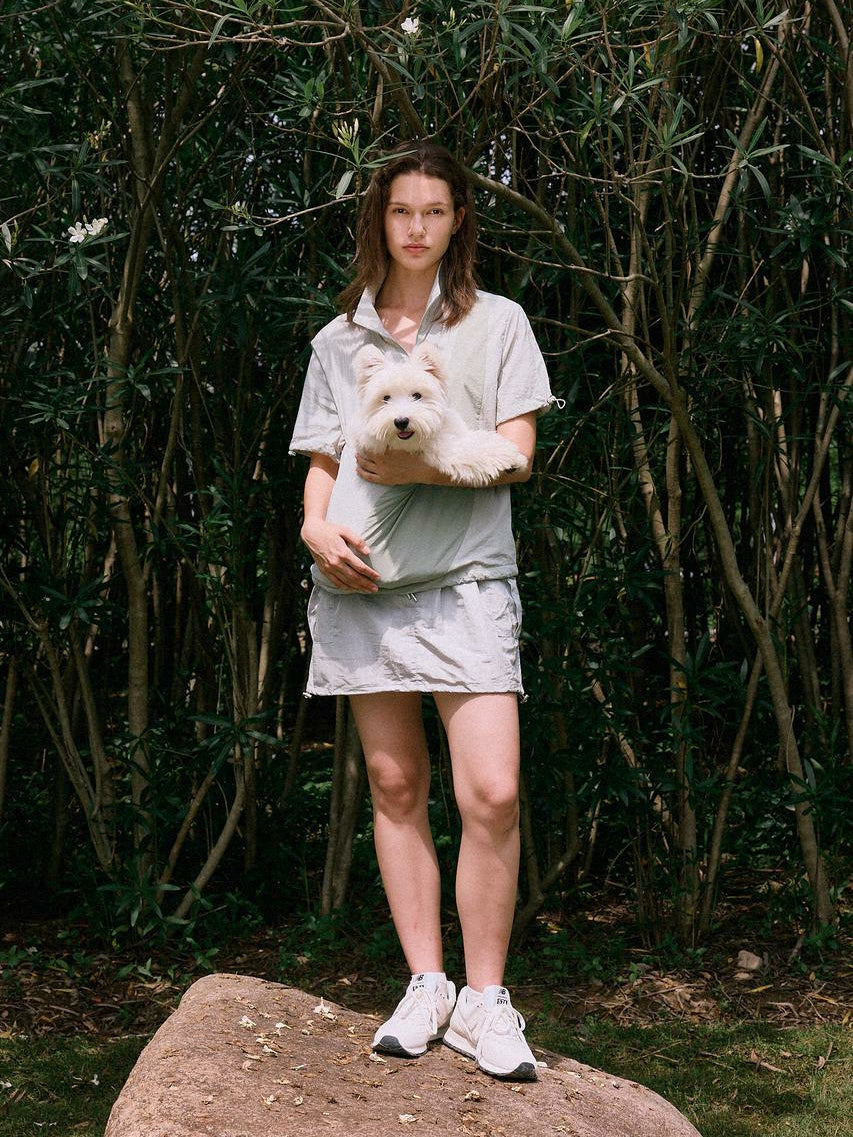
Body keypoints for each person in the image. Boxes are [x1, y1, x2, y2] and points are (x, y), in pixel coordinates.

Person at [289, 140, 554, 1081]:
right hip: (361, 586)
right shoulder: (338, 340)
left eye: (433, 211)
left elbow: (517, 452)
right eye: (401, 211)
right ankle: (427, 983)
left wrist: (413, 467)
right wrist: (314, 528)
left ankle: (486, 1000)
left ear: (457, 220)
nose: (415, 228)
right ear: (380, 219)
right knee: (395, 787)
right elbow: (324, 459)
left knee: (492, 791)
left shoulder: (499, 322)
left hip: (467, 580)